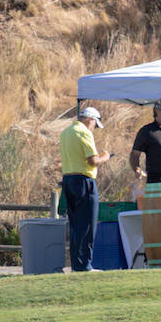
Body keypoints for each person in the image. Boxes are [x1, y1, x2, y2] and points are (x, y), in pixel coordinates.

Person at [60, 106, 112, 272]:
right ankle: (84, 265)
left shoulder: (66, 132)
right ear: (91, 120)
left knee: (75, 224)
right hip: (84, 181)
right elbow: (93, 161)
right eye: (95, 125)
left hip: (68, 180)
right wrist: (106, 156)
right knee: (88, 224)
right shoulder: (84, 132)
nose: (94, 129)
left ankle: (77, 264)